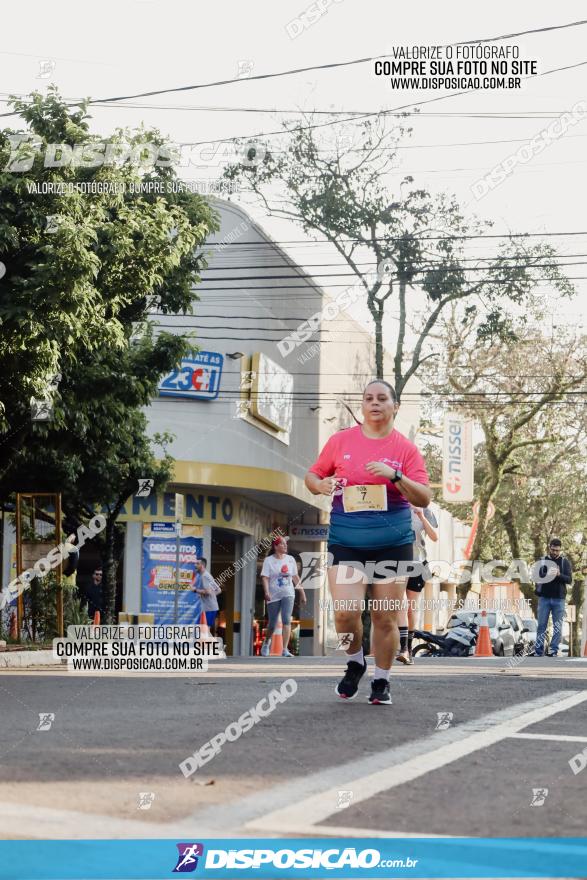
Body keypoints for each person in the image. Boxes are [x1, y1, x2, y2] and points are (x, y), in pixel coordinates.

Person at [305, 379, 431, 705]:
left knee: (385, 617)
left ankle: (382, 679)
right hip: (346, 541)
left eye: (382, 398)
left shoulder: (405, 449)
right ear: (363, 405)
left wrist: (395, 476)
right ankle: (356, 660)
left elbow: (425, 496)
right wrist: (321, 486)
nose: (374, 403)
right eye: (368, 398)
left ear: (395, 406)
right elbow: (312, 476)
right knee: (344, 615)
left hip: (393, 543)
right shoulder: (340, 441)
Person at [396, 506, 438, 664]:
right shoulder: (395, 506)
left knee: (410, 609)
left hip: (418, 563)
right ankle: (403, 649)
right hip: (398, 563)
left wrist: (421, 516)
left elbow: (434, 537)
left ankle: (408, 647)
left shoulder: (426, 510)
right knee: (401, 604)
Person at [260, 536, 307, 658]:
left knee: (287, 620)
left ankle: (285, 649)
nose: (285, 546)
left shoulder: (290, 559)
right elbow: (265, 577)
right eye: (282, 544)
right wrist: (266, 592)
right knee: (272, 623)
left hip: (288, 593)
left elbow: (295, 578)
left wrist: (302, 593)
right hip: (274, 595)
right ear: (275, 547)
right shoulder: (268, 560)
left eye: (285, 544)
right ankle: (266, 643)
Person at [534, 538, 572, 657]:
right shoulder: (542, 560)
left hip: (559, 599)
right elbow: (537, 576)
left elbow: (569, 579)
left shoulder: (564, 562)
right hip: (544, 598)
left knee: (557, 626)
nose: (555, 552)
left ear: (560, 550)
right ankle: (538, 651)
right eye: (553, 550)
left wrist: (559, 574)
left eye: (557, 550)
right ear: (549, 548)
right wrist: (549, 574)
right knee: (541, 625)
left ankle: (553, 651)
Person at [193, 558, 222, 633]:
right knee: (203, 629)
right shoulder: (207, 575)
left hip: (209, 609)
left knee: (204, 630)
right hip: (210, 608)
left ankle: (206, 644)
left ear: (202, 565)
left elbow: (208, 592)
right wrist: (205, 595)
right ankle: (206, 643)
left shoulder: (204, 576)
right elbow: (218, 590)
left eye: (197, 564)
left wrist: (195, 590)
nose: (195, 565)